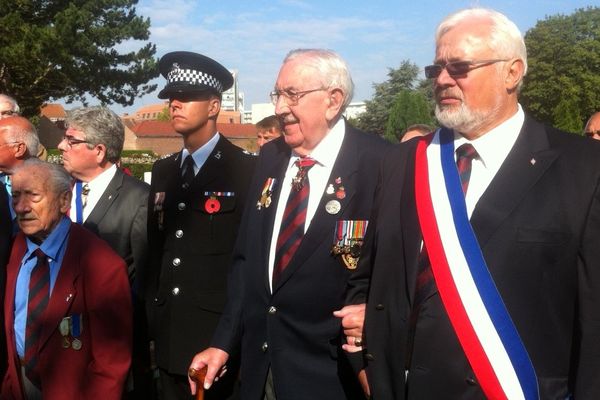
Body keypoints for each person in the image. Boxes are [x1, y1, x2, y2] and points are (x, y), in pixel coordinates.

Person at [340, 7, 600, 399]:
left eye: (459, 67)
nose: (442, 79)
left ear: (512, 72)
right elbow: (366, 276)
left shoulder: (584, 168)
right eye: (436, 69)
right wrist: (366, 367)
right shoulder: (402, 163)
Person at [189, 48, 389, 400]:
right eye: (277, 94)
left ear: (333, 100)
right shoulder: (271, 157)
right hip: (260, 374)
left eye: (292, 95)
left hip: (332, 380)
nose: (280, 107)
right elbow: (246, 264)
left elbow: (394, 274)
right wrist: (223, 343)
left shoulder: (382, 164)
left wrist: (375, 321)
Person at [146, 51, 256, 400]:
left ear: (213, 106)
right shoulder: (164, 171)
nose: (174, 104)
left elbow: (248, 262)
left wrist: (229, 340)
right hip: (167, 337)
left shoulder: (245, 171)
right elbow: (158, 251)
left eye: (187, 97)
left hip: (216, 340)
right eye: (171, 97)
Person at [2, 159, 132, 399]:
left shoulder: (103, 266)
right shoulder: (13, 249)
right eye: (16, 196)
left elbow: (111, 363)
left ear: (64, 201)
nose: (21, 207)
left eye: (33, 196)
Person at [57, 106, 152, 398]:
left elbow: (144, 280)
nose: (61, 146)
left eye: (71, 141)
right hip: (59, 347)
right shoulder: (60, 192)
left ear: (98, 151)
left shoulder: (139, 199)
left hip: (108, 347)